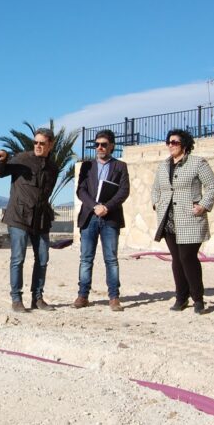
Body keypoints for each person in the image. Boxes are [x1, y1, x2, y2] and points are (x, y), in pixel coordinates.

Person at [151, 129, 214, 314]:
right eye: (169, 142)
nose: (171, 145)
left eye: (175, 142)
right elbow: (156, 187)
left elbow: (212, 185)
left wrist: (203, 205)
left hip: (190, 219)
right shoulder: (163, 166)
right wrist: (156, 203)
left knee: (188, 258)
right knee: (177, 260)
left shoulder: (198, 163)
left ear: (185, 145)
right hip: (168, 219)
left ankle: (198, 299)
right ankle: (181, 298)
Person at [0, 128, 58, 312]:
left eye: (42, 143)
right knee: (18, 258)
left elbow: (46, 193)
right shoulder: (22, 159)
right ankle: (16, 299)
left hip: (41, 219)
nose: (38, 145)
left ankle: (37, 298)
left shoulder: (54, 167)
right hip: (19, 218)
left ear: (50, 145)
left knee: (43, 259)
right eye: (35, 142)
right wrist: (1, 159)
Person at [75, 129, 130, 311]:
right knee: (86, 258)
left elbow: (124, 191)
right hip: (89, 217)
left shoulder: (120, 166)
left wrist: (106, 207)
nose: (99, 147)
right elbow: (81, 190)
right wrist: (94, 206)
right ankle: (83, 296)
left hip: (110, 218)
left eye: (104, 144)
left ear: (112, 146)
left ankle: (114, 297)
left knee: (111, 259)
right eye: (97, 144)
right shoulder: (86, 166)